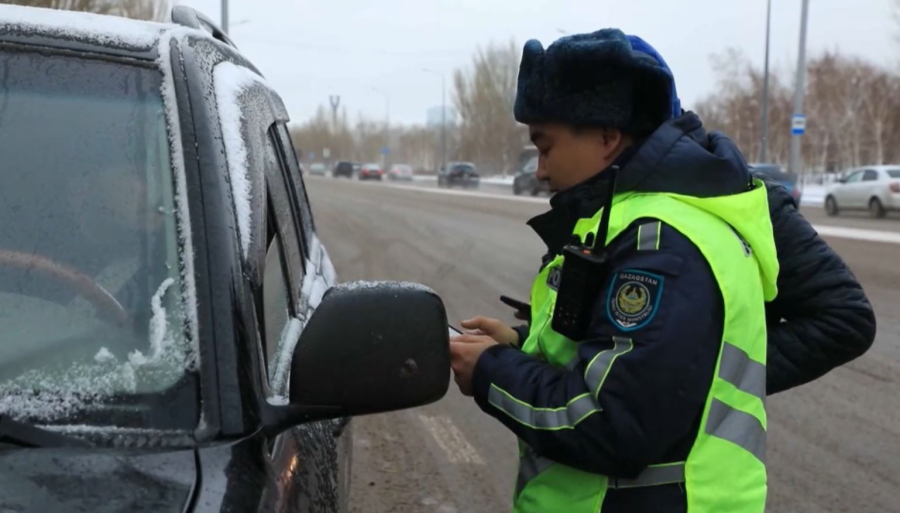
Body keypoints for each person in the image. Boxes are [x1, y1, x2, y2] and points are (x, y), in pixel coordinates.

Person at [450, 29, 779, 512]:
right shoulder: (626, 221)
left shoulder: (660, 242)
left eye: (546, 147)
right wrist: (521, 347)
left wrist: (490, 372)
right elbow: (617, 359)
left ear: (607, 137)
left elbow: (612, 425)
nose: (539, 170)